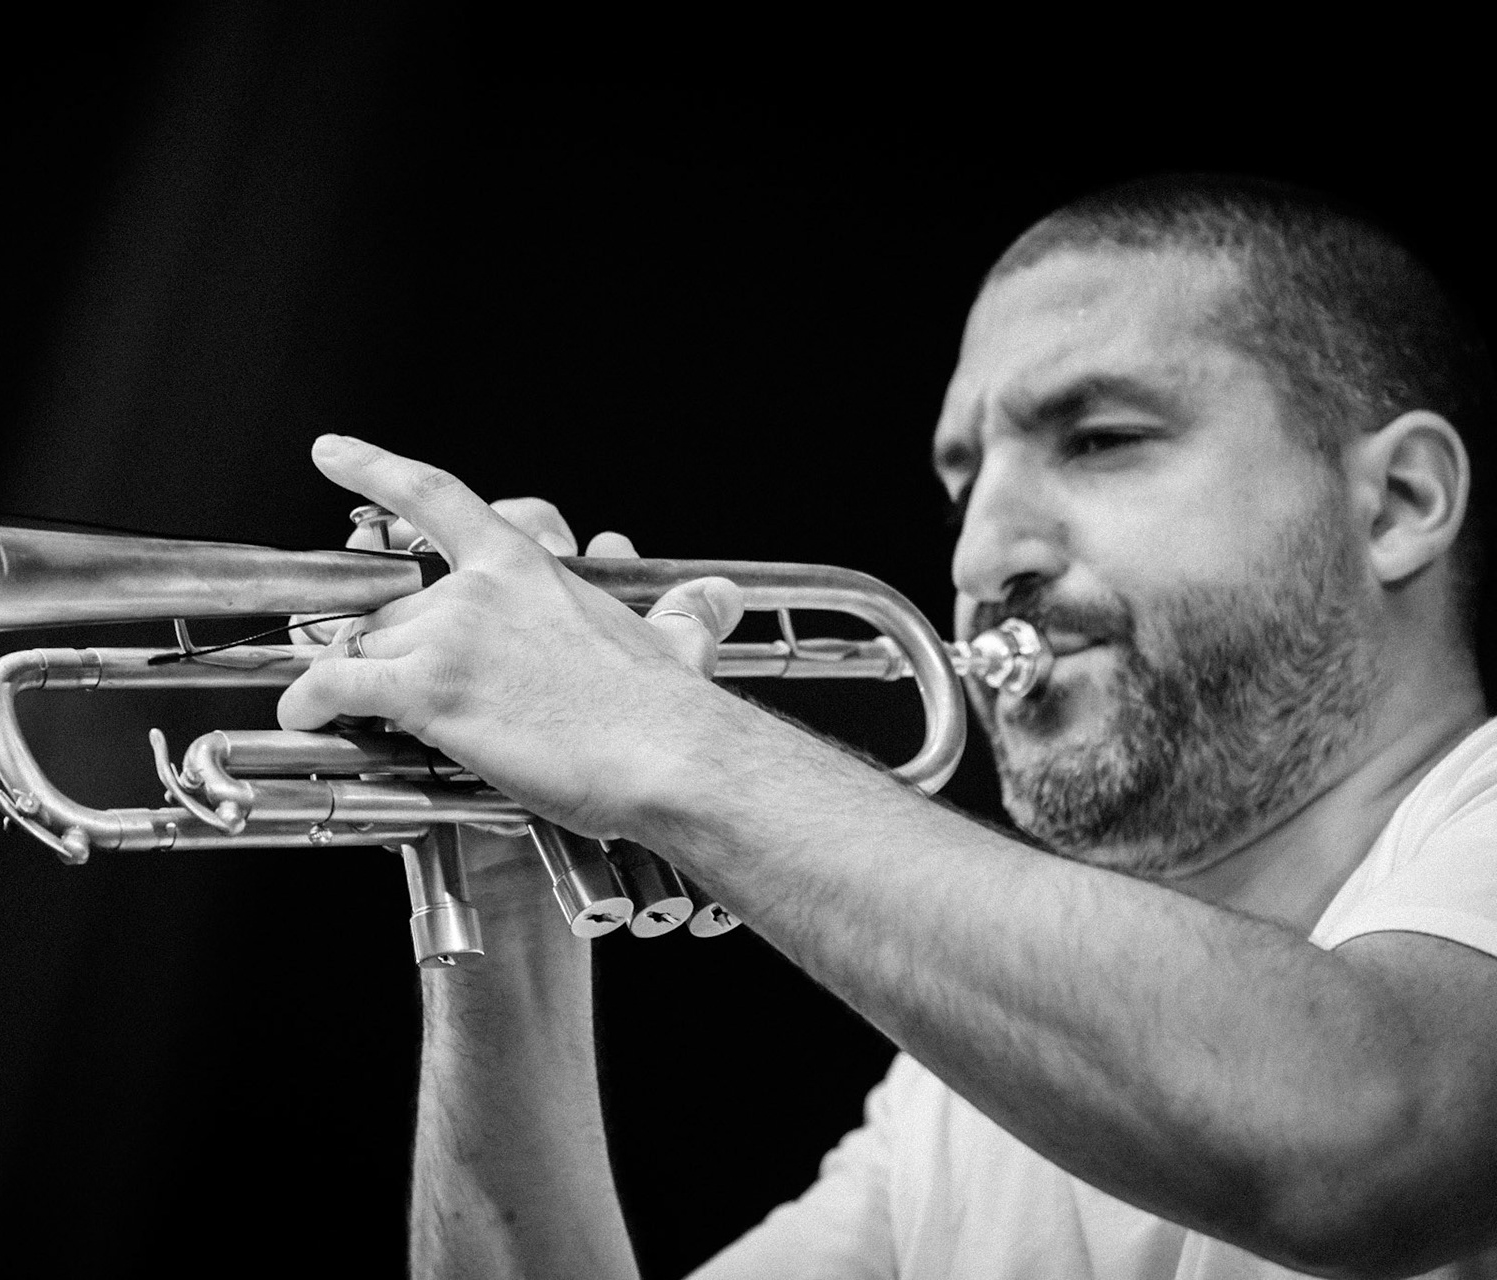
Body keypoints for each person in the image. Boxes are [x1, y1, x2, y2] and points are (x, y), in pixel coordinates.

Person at [282, 176, 1497, 1277]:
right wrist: (505, 904)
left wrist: (660, 736)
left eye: (1102, 439)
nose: (980, 554)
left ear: (1395, 504)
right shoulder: (968, 1101)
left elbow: (1364, 1135)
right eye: (964, 482)